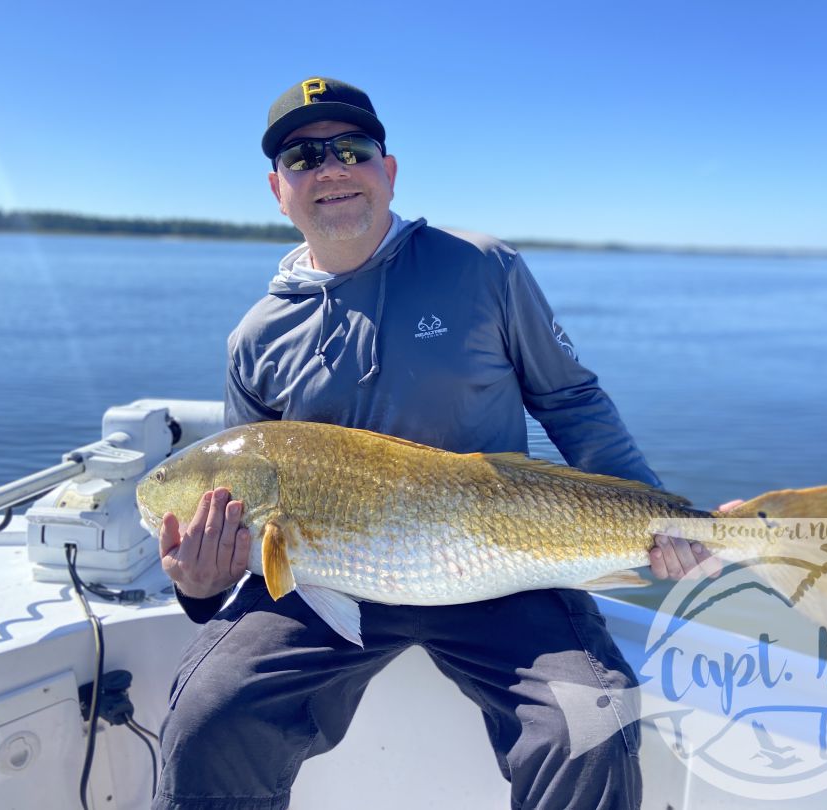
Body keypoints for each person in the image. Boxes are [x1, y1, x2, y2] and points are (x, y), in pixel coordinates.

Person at [152, 77, 719, 810]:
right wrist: (199, 588)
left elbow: (572, 400)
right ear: (277, 189)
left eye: (352, 149)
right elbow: (247, 501)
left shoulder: (482, 268)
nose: (330, 168)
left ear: (388, 170)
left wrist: (656, 510)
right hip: (330, 579)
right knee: (208, 713)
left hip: (501, 563)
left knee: (591, 721)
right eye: (303, 157)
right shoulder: (255, 339)